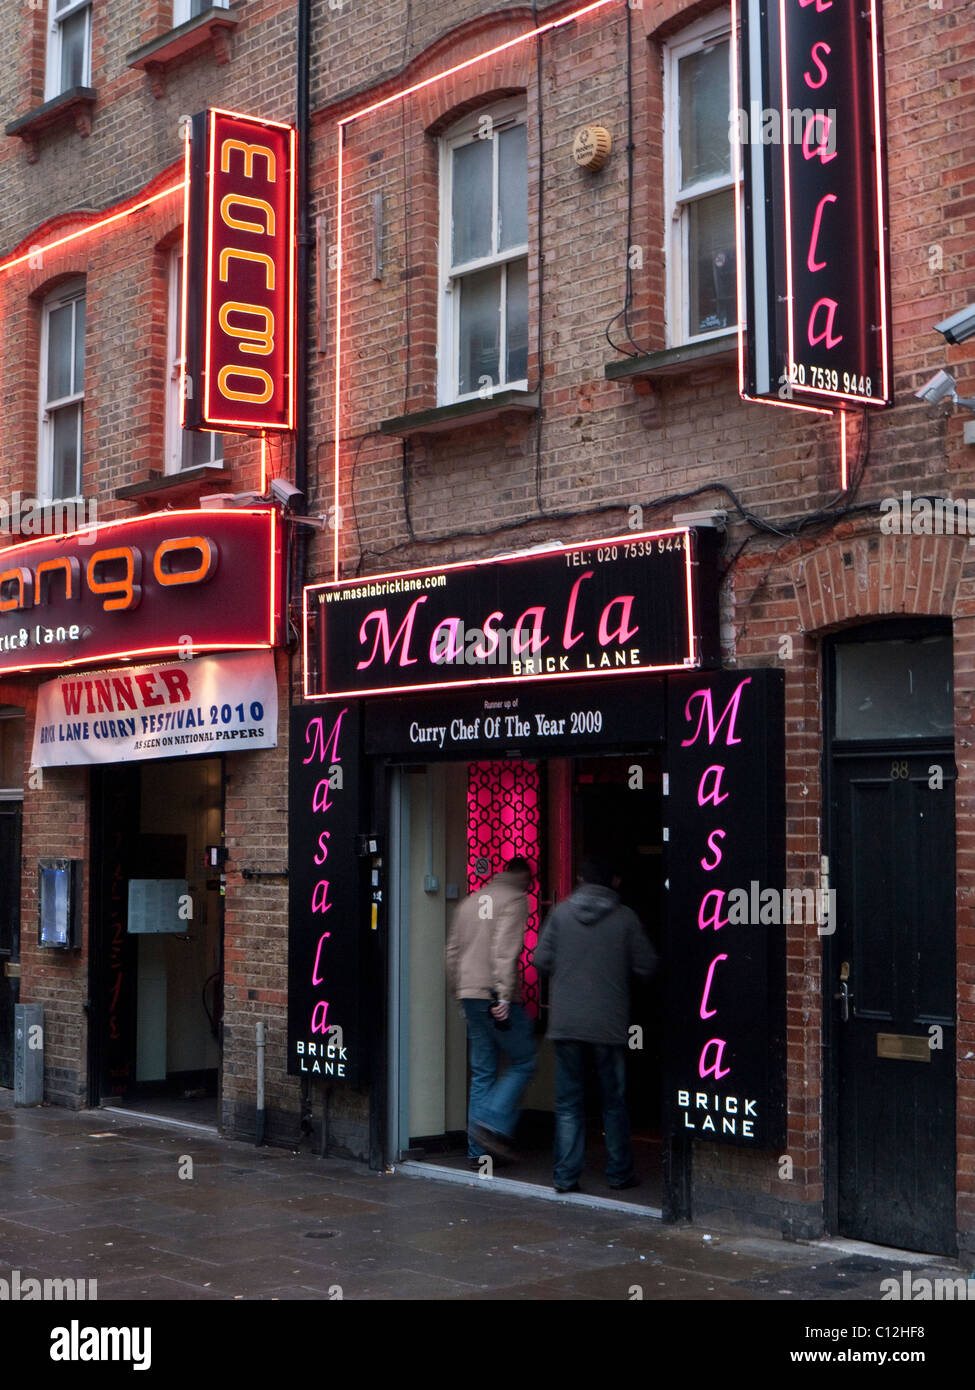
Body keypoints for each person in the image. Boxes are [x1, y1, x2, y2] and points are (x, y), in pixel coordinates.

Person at [533, 857, 656, 1193]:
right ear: (614, 881)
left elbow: (539, 960)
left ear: (580, 878)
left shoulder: (560, 914)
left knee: (569, 1102)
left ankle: (565, 1176)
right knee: (613, 1101)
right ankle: (619, 1174)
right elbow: (647, 965)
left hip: (566, 1022)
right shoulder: (626, 918)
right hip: (609, 1024)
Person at [445, 855, 537, 1163]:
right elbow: (504, 951)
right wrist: (503, 996)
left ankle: (477, 1153)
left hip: (470, 995)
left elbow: (452, 953)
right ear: (524, 877)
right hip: (494, 995)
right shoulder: (516, 899)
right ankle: (493, 1121)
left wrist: (458, 993)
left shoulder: (470, 902)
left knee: (482, 1071)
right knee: (525, 1059)